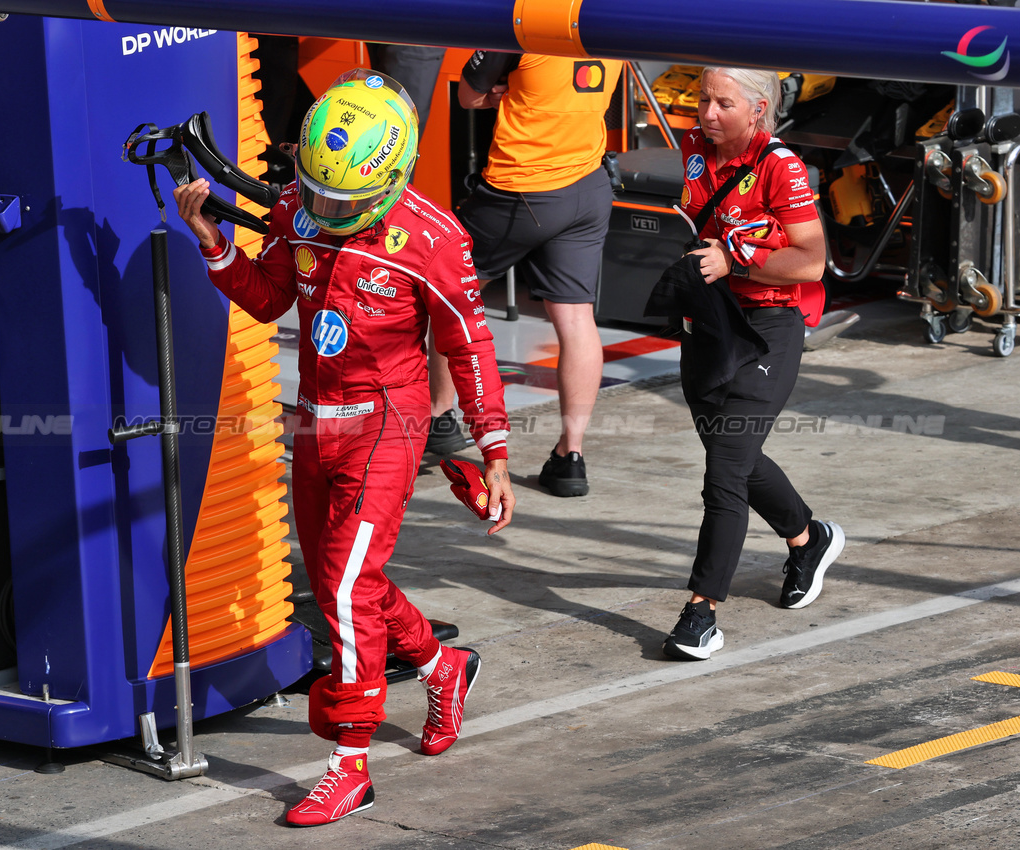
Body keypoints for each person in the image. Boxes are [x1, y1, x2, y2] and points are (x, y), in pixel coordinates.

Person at [173, 69, 515, 826]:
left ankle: (348, 762)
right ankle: (439, 665)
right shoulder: (299, 203)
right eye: (314, 195)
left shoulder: (433, 237)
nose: (320, 214)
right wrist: (215, 247)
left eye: (341, 204)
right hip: (314, 419)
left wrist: (492, 448)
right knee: (343, 582)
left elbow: (470, 346)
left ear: (391, 179)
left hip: (388, 423)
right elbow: (267, 300)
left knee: (342, 585)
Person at [662, 67, 845, 661]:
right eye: (702, 100)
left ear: (758, 110)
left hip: (769, 328)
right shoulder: (694, 147)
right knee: (730, 454)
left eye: (723, 104)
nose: (707, 114)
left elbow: (811, 264)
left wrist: (735, 262)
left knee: (725, 475)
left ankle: (700, 612)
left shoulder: (780, 167)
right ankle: (806, 538)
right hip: (711, 321)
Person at [426, 50, 622, 499]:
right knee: (575, 319)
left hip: (519, 192)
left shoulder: (523, 21)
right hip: (588, 185)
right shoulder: (605, 18)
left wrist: (509, 93)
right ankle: (570, 456)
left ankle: (439, 415)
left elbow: (468, 97)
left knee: (445, 291)